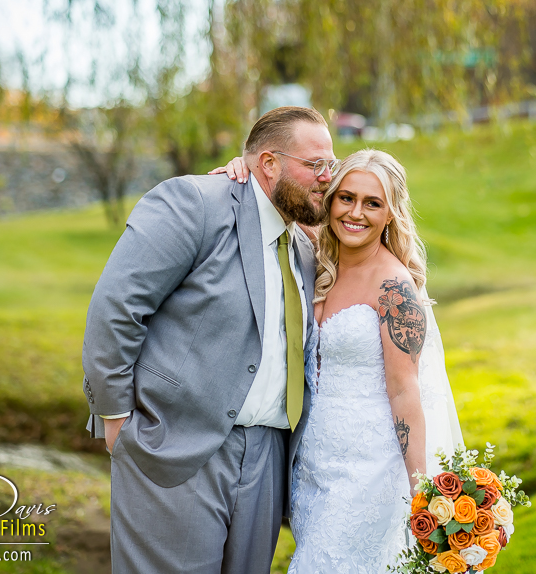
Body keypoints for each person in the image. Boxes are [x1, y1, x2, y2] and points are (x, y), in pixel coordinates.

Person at [81, 105, 338, 574]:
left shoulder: (303, 246)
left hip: (267, 461)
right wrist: (116, 418)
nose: (327, 177)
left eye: (331, 164)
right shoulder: (194, 203)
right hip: (175, 446)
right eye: (315, 164)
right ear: (269, 164)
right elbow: (117, 306)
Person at [213, 148, 462, 573]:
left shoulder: (395, 288)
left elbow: (406, 391)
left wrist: (423, 490)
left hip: (370, 469)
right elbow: (268, 195)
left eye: (372, 203)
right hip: (313, 465)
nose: (355, 213)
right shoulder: (312, 255)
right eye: (346, 197)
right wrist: (243, 167)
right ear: (330, 201)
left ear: (390, 214)